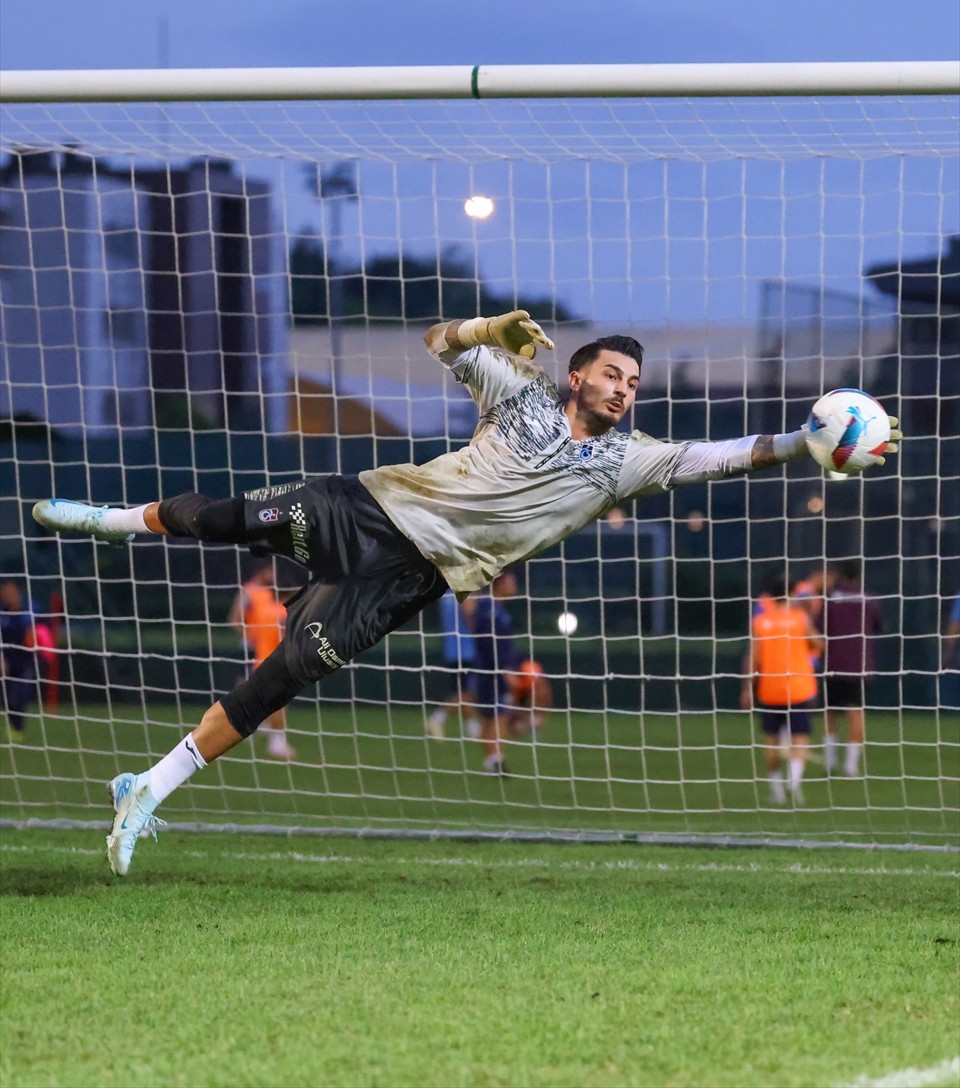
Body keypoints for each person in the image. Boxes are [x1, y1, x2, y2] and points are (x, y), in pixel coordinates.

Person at [31, 307, 903, 874]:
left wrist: (804, 442)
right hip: (372, 509)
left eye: (634, 384)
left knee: (281, 677)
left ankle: (146, 786)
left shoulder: (630, 464)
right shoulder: (516, 390)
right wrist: (491, 330)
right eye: (612, 375)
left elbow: (729, 455)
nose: (625, 389)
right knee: (230, 518)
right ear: (577, 375)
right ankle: (111, 519)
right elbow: (437, 343)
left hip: (417, 580)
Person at [741, 572, 823, 804]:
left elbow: (753, 658)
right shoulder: (800, 619)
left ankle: (776, 791)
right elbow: (818, 643)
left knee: (771, 742)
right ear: (790, 594)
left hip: (770, 689)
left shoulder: (760, 622)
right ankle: (793, 783)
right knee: (800, 738)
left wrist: (747, 688)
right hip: (798, 687)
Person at [227, 562, 296, 760]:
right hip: (255, 649)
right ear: (262, 571)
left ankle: (254, 724)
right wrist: (250, 638)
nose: (273, 575)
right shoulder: (250, 591)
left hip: (269, 648)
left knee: (257, 691)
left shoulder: (271, 595)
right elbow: (235, 618)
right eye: (270, 571)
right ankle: (268, 735)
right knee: (253, 690)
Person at [822, 560, 883, 777]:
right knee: (856, 713)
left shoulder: (830, 599)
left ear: (839, 574)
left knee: (830, 713)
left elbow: (821, 628)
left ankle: (830, 762)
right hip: (860, 665)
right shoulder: (870, 600)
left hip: (834, 664)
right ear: (859, 576)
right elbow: (877, 627)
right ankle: (851, 766)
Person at [470, 567, 520, 775]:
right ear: (500, 585)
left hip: (492, 671)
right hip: (490, 672)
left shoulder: (496, 609)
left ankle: (494, 760)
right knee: (498, 716)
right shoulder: (489, 610)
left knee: (495, 717)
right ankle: (495, 759)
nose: (515, 586)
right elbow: (489, 644)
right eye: (511, 582)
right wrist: (505, 669)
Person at [426, 590, 480, 740]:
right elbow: (470, 616)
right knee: (466, 693)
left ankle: (473, 729)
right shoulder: (467, 590)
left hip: (451, 649)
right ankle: (437, 718)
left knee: (464, 691)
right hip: (468, 649)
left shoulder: (445, 595)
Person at [0, 580, 38, 743]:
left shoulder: (29, 609)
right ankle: (11, 726)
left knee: (20, 695)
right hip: (5, 659)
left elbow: (33, 636)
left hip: (24, 661)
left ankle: (17, 728)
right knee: (6, 696)